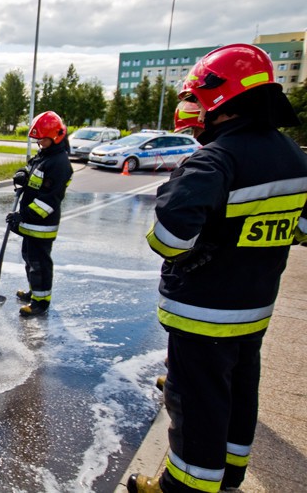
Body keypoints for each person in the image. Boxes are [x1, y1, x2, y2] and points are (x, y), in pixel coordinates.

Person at [129, 43, 307, 492]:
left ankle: (184, 486)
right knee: (239, 390)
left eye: (197, 97)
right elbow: (301, 229)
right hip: (255, 306)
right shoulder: (294, 157)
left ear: (218, 99)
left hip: (204, 310)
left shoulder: (216, 159)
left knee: (196, 401)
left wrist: (178, 190)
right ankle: (229, 475)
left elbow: (168, 240)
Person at [6, 110, 73, 317]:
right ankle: (35, 292)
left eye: (42, 140)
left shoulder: (60, 164)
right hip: (31, 223)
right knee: (29, 258)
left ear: (55, 137)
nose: (39, 143)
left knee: (39, 264)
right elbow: (32, 170)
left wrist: (22, 215)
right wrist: (22, 174)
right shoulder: (45, 155)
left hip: (42, 225)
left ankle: (41, 303)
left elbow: (48, 202)